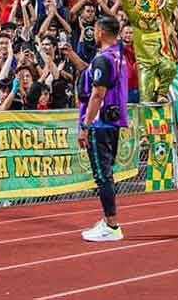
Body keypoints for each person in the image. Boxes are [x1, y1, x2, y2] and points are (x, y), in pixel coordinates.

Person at [66, 15, 129, 242]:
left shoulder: (104, 59)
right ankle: (108, 221)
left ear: (101, 32)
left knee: (102, 177)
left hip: (100, 123)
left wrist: (85, 125)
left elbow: (97, 94)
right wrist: (73, 57)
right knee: (106, 174)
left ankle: (112, 226)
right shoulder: (118, 57)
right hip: (112, 121)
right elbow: (94, 74)